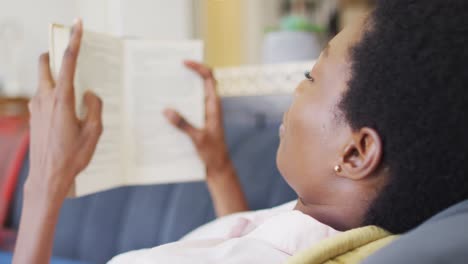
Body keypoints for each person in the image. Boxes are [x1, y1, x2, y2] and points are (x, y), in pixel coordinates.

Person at [12, 0, 468, 263]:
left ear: (355, 154)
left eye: (311, 76)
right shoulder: (328, 224)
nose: (297, 87)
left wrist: (45, 182)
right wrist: (218, 167)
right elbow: (253, 242)